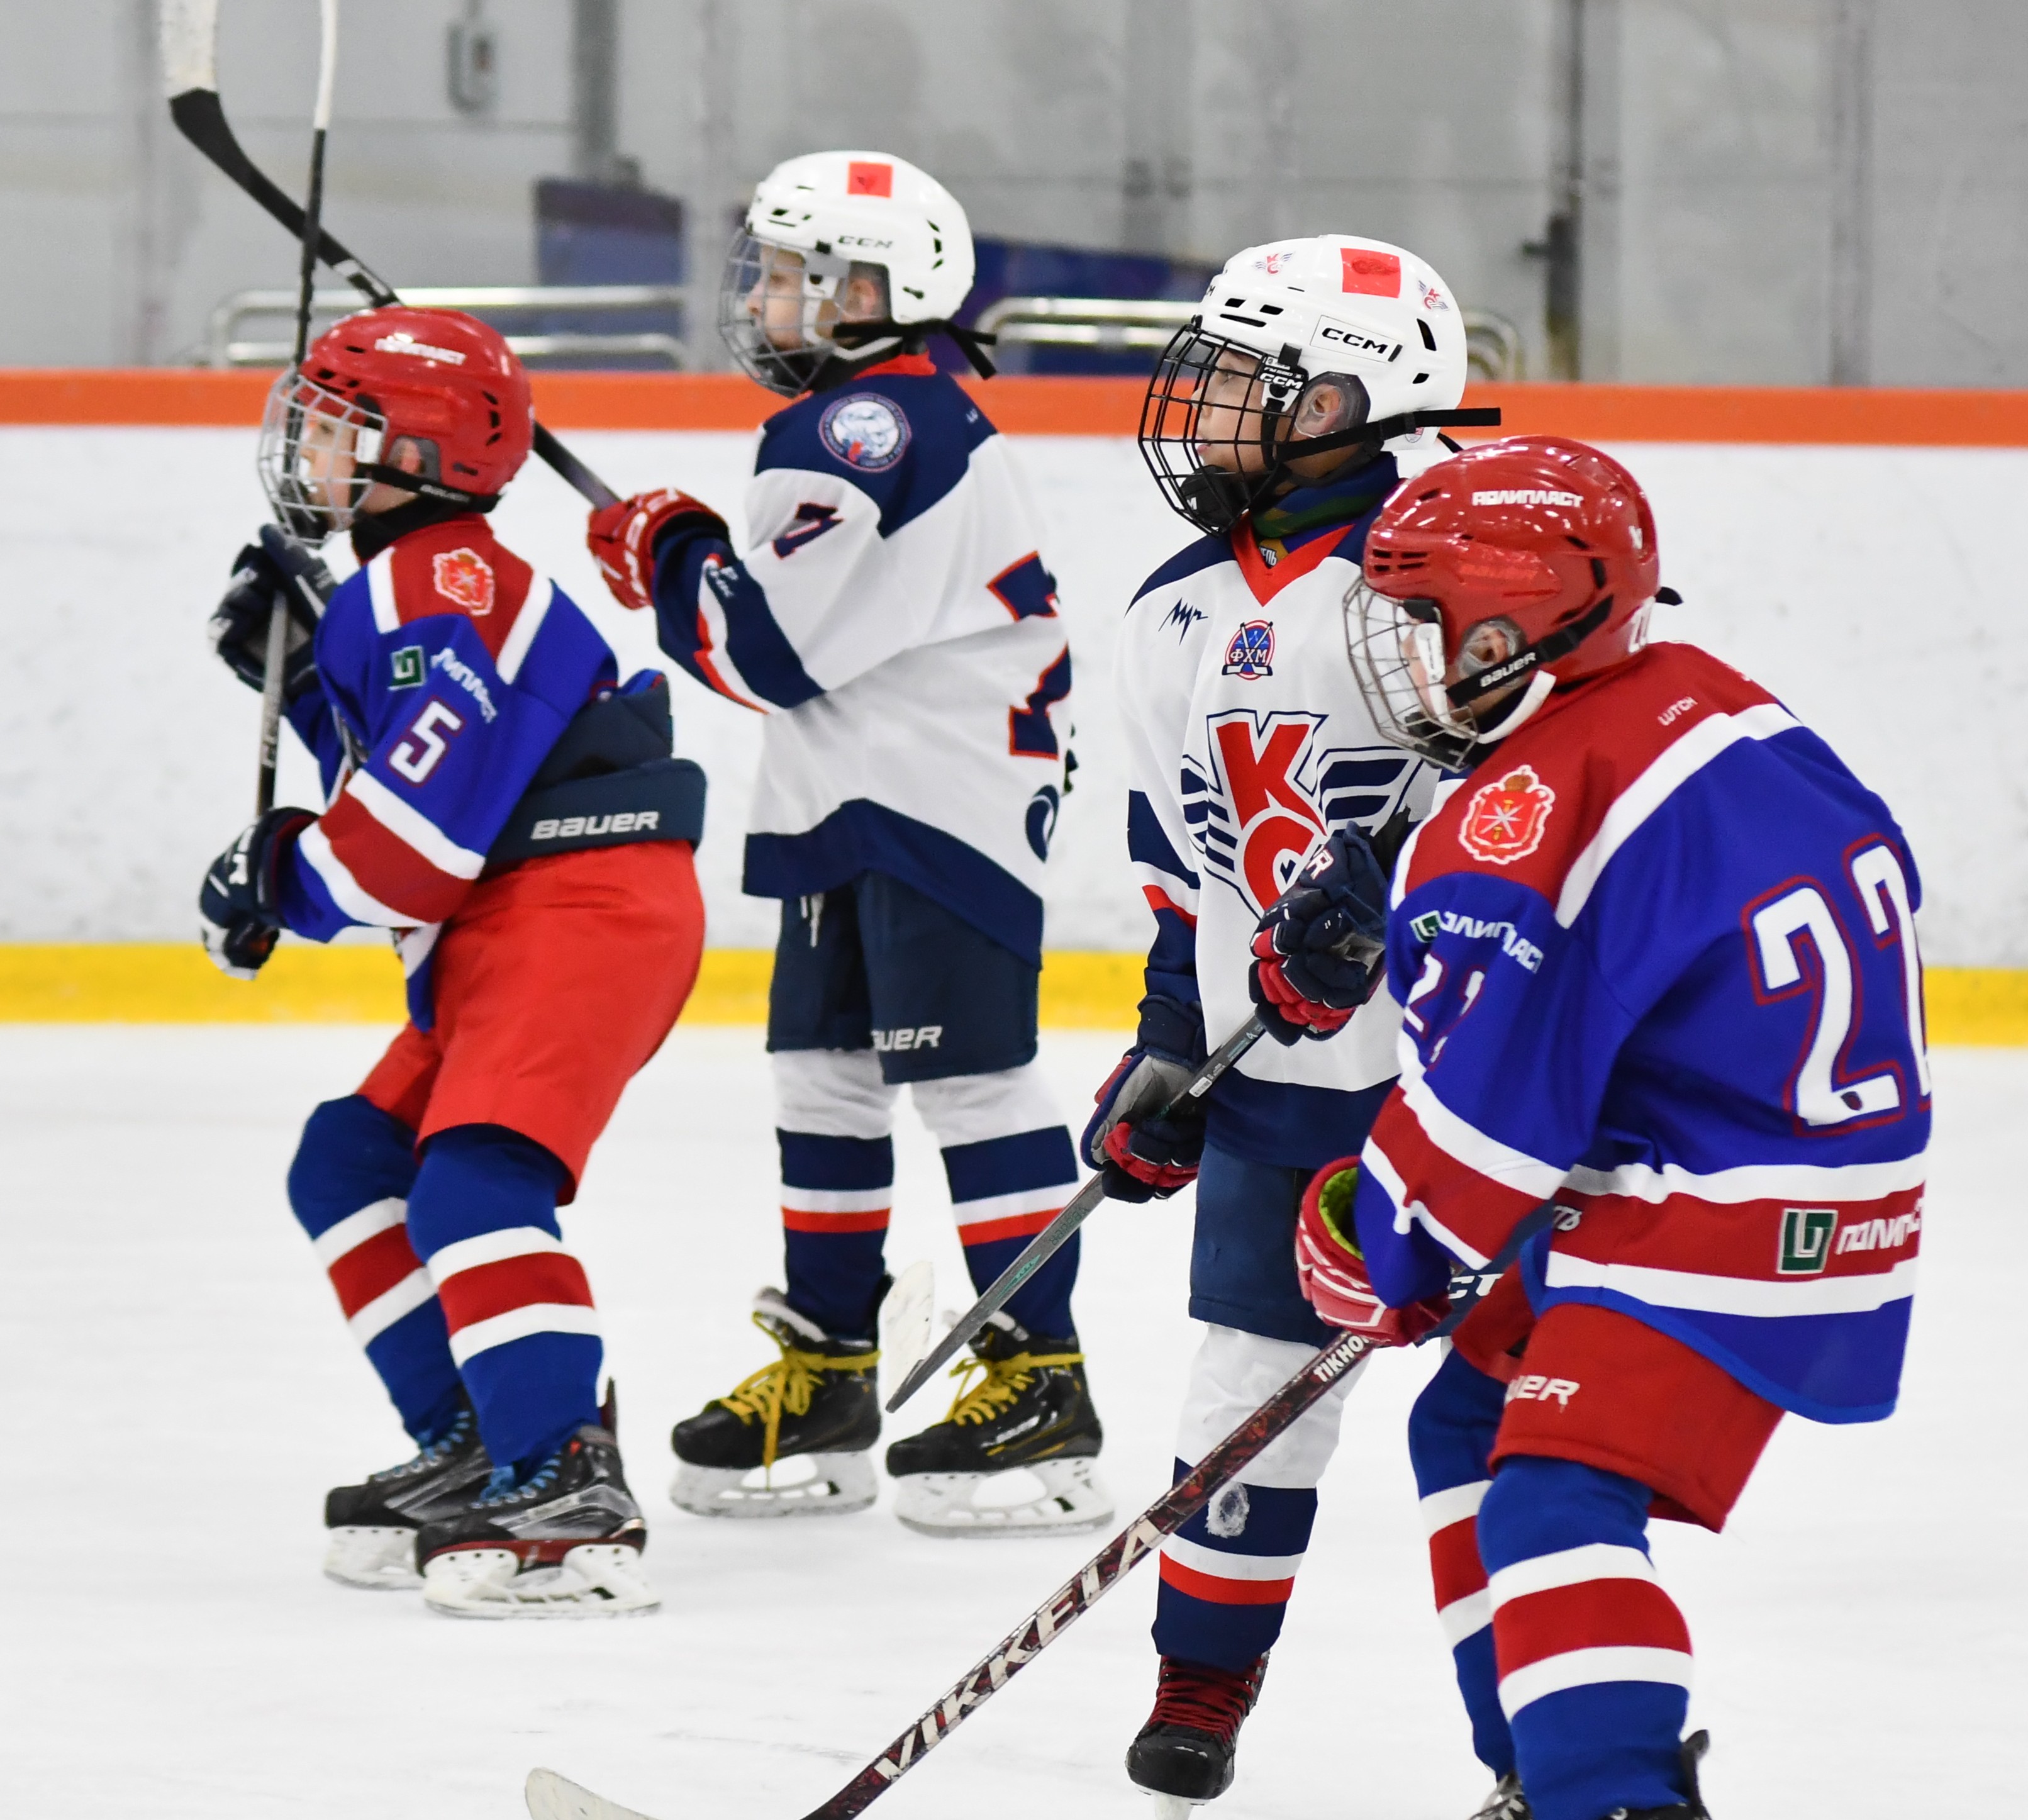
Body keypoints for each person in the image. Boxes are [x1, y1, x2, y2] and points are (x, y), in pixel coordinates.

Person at [1295, 435, 1930, 1819]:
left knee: (1551, 1498)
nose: (1401, 653)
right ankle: (1541, 1771)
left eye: (1426, 617)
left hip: (1725, 1205)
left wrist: (1376, 1238)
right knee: (1465, 1418)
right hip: (1784, 1163)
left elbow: (1480, 1140)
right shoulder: (1708, 696)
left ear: (1515, 623)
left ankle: (1613, 1796)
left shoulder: (1521, 817)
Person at [582, 150, 1098, 1536]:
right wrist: (691, 552)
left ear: (864, 290)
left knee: (973, 1082)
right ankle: (829, 1368)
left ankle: (1043, 1383)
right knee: (823, 1075)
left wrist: (670, 554)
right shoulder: (882, 411)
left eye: (784, 274)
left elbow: (762, 653)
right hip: (862, 791)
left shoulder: (864, 426)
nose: (760, 297)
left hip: (936, 797)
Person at [199, 306, 708, 1617]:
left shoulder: (438, 585)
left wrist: (280, 878)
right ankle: (481, 1438)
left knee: (475, 1185)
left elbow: (415, 842)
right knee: (349, 1159)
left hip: (578, 910)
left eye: (338, 427)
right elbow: (429, 781)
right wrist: (303, 687)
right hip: (525, 916)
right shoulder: (414, 587)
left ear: (412, 454)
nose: (311, 451)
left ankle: (564, 1473)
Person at [1080, 234, 1488, 1806]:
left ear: (1346, 400)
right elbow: (1182, 877)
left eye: (1248, 384)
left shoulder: (1443, 568)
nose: (1207, 412)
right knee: (1240, 1394)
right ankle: (1201, 1680)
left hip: (1469, 1087)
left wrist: (1400, 908)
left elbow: (1533, 809)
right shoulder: (1171, 611)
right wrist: (1166, 1051)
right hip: (1278, 1081)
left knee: (1504, 1419)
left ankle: (1543, 1742)